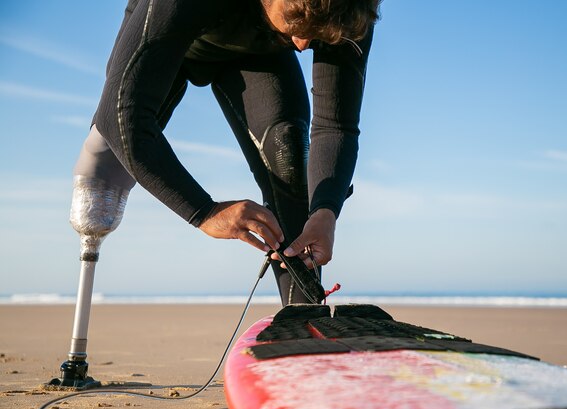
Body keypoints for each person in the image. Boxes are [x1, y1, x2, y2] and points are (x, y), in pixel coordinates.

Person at [73, 0, 381, 306]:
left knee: (290, 156)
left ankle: (304, 319)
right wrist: (205, 212)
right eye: (295, 23)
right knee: (100, 182)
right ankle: (78, 342)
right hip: (170, 33)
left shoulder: (348, 9)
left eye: (315, 34)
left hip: (258, 52)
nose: (302, 45)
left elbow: (335, 126)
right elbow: (121, 118)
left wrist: (326, 212)